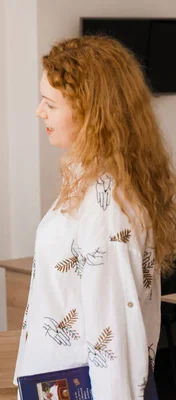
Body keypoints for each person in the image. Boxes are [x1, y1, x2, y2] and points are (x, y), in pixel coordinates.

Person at [14, 36, 176, 399]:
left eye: (50, 104)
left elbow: (114, 333)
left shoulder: (107, 204)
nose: (39, 112)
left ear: (90, 112)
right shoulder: (89, 182)